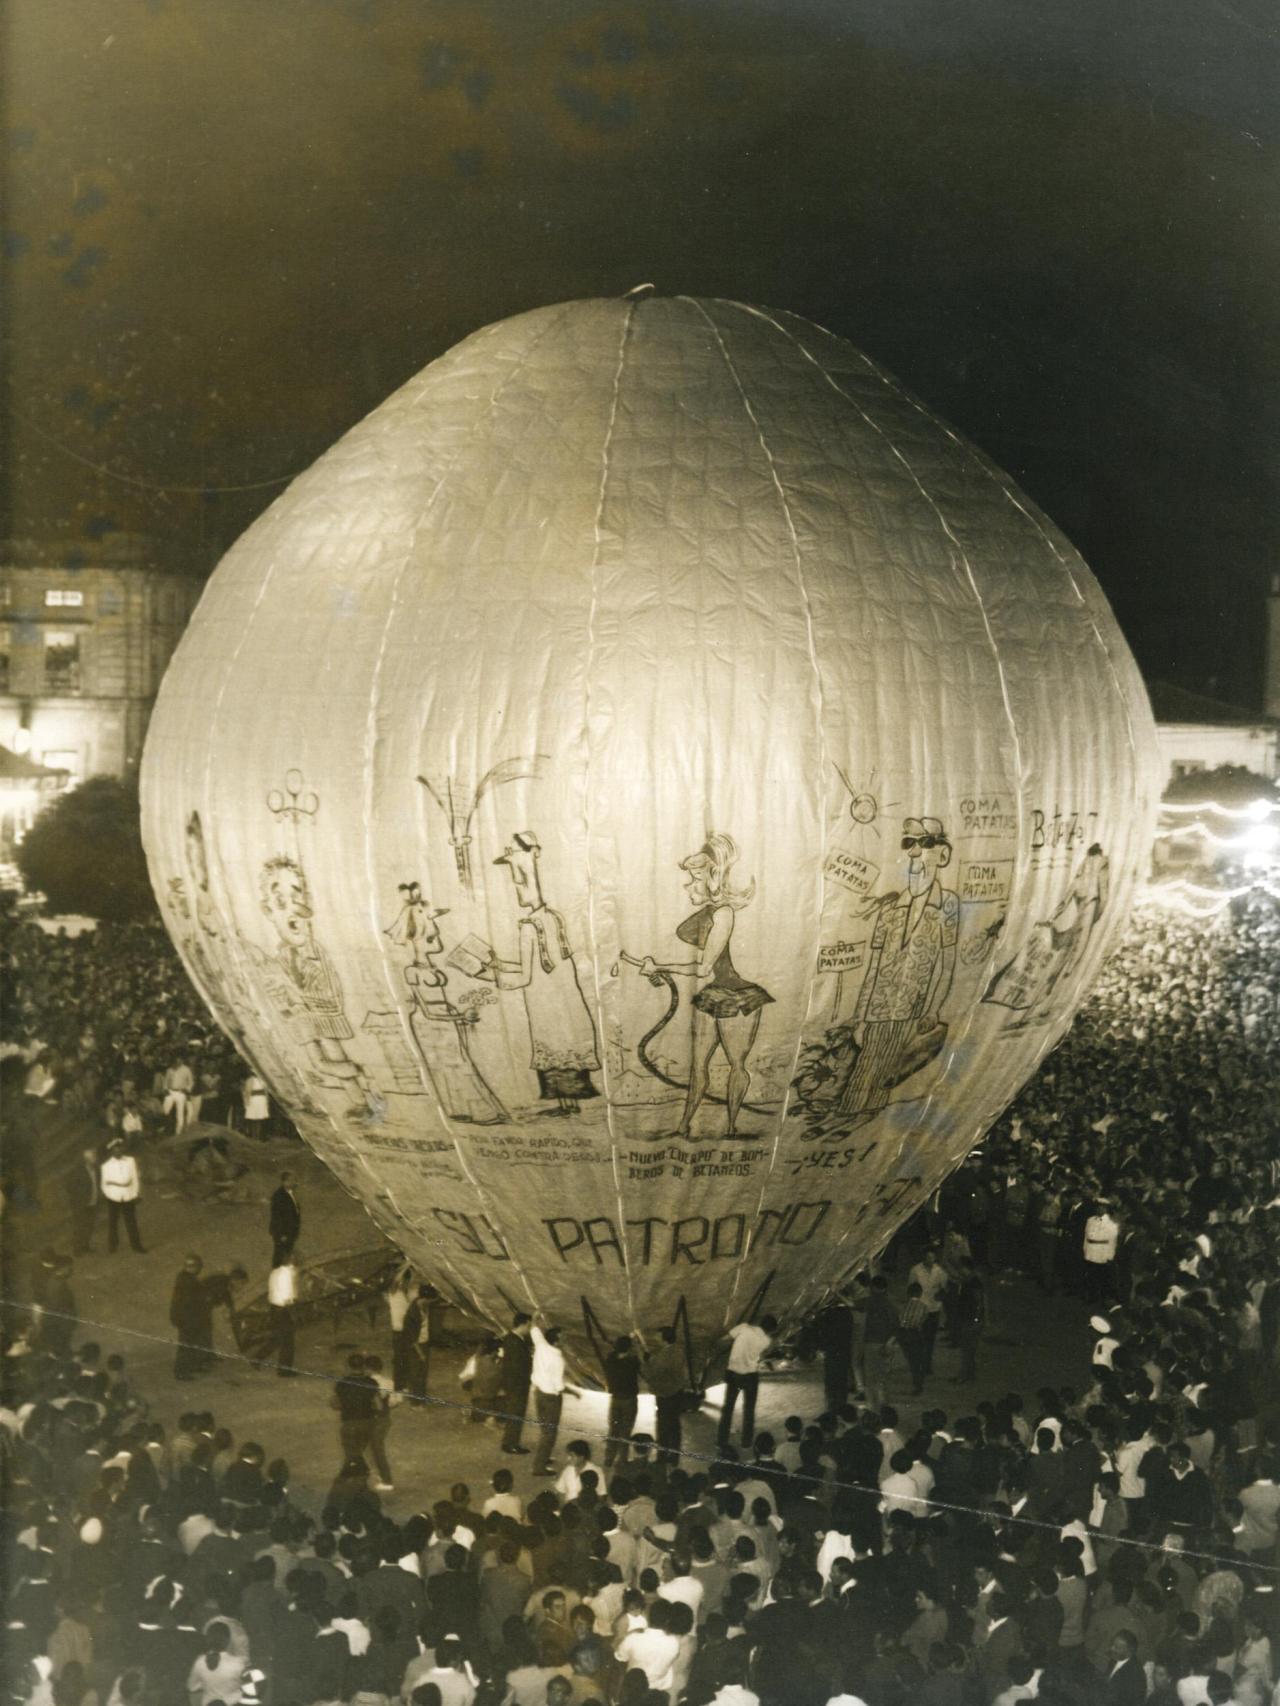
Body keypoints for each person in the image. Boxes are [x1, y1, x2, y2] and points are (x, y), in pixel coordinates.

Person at [639, 832, 773, 1139]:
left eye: (695, 878)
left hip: (738, 997)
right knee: (698, 1066)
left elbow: (702, 968)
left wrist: (660, 965)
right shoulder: (710, 912)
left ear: (713, 876)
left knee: (736, 1064)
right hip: (714, 994)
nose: (688, 885)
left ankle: (730, 1127)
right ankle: (684, 1125)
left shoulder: (724, 913)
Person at [483, 832, 601, 1116]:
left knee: (552, 1048)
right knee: (565, 1046)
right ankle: (569, 1104)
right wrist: (500, 964)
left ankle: (565, 1105)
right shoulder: (553, 918)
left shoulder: (528, 926)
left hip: (545, 1005)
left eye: (518, 884)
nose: (517, 890)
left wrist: (493, 978)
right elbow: (540, 964)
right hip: (566, 1002)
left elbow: (525, 976)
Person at [717, 1315, 776, 1451]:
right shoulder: (766, 1340)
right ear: (770, 1330)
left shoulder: (744, 1328)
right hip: (750, 1376)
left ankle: (721, 1441)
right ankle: (746, 1443)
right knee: (749, 1410)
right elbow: (761, 1357)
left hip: (734, 1374)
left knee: (728, 1409)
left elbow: (724, 1340)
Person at [529, 1321, 580, 1475]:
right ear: (556, 1341)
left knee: (545, 1430)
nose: (564, 1340)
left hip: (538, 1393)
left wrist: (535, 1318)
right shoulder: (558, 1360)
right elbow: (559, 1386)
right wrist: (574, 1392)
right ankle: (539, 1467)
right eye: (562, 1338)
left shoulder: (541, 1346)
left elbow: (534, 1331)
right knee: (549, 1433)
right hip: (551, 1398)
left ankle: (543, 1459)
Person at [645, 1327, 687, 1461]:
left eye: (658, 1336)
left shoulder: (663, 1356)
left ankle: (662, 1456)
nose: (656, 1338)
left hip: (665, 1394)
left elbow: (654, 1372)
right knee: (674, 1424)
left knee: (663, 1425)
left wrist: (648, 1360)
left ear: (664, 1339)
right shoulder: (679, 1350)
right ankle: (675, 1456)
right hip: (677, 1392)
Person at [99, 1138, 145, 1254]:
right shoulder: (106, 1166)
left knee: (131, 1222)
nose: (118, 1151)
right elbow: (104, 1184)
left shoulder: (130, 1161)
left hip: (128, 1196)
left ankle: (136, 1246)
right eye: (115, 1150)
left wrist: (135, 1193)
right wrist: (111, 1195)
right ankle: (112, 1245)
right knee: (113, 1222)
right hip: (114, 1197)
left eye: (120, 1149)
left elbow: (135, 1178)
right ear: (111, 1151)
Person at [604, 1336, 641, 1470]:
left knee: (613, 1430)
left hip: (615, 1399)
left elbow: (615, 1353)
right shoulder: (632, 1362)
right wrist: (636, 1342)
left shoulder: (610, 1359)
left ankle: (608, 1458)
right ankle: (623, 1460)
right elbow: (640, 1360)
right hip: (629, 1400)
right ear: (629, 1348)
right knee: (626, 1431)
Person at [171, 1256, 210, 1381]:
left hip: (190, 1318)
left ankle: (193, 1365)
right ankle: (181, 1371)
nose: (200, 1269)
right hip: (187, 1319)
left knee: (194, 1343)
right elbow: (188, 1302)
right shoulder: (186, 1281)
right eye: (198, 1266)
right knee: (187, 1344)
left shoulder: (187, 1279)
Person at [500, 1312, 534, 1456]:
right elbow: (517, 1367)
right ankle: (512, 1444)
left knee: (514, 1414)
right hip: (517, 1385)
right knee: (516, 1414)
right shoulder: (516, 1342)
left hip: (513, 1384)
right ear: (524, 1324)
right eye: (529, 1325)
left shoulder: (511, 1338)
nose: (530, 1328)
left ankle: (509, 1442)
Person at [363, 1352, 397, 1492]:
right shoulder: (389, 1382)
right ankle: (379, 1476)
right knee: (376, 1447)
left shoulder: (367, 1383)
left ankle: (386, 1479)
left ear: (369, 1369)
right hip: (384, 1418)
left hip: (372, 1419)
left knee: (375, 1448)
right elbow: (395, 1401)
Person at [952, 1257, 985, 1383]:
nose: (959, 1270)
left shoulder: (973, 1283)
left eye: (961, 1267)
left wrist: (976, 1318)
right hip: (967, 1318)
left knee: (968, 1350)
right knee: (968, 1350)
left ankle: (964, 1376)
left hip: (970, 1320)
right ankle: (969, 1375)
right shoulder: (968, 1281)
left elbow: (979, 1302)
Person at [266, 1256, 298, 1376]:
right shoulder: (286, 1275)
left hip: (274, 1308)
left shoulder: (275, 1272)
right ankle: (284, 1371)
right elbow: (287, 1299)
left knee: (278, 1338)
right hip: (283, 1310)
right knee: (288, 1342)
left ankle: (257, 1358)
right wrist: (293, 1314)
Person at [65, 1148, 99, 1256]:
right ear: (87, 1160)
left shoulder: (95, 1169)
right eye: (93, 1157)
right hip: (81, 1205)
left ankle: (85, 1246)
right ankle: (77, 1249)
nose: (95, 1159)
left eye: (95, 1156)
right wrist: (78, 1200)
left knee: (90, 1226)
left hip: (93, 1202)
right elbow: (70, 1187)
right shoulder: (78, 1171)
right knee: (79, 1227)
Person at [268, 1170, 301, 1266]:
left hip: (289, 1232)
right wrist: (281, 1234)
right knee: (280, 1254)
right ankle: (277, 1272)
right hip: (283, 1233)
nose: (294, 1182)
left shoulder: (289, 1193)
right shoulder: (279, 1196)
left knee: (287, 1253)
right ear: (285, 1182)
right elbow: (277, 1216)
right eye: (292, 1180)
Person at [241, 1073, 271, 1142]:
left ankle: (260, 1136)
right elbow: (247, 1091)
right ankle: (253, 1136)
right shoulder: (251, 1080)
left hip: (262, 1100)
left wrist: (267, 1101)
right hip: (254, 1100)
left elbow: (266, 1091)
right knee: (253, 1117)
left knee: (261, 1118)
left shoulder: (263, 1079)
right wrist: (246, 1102)